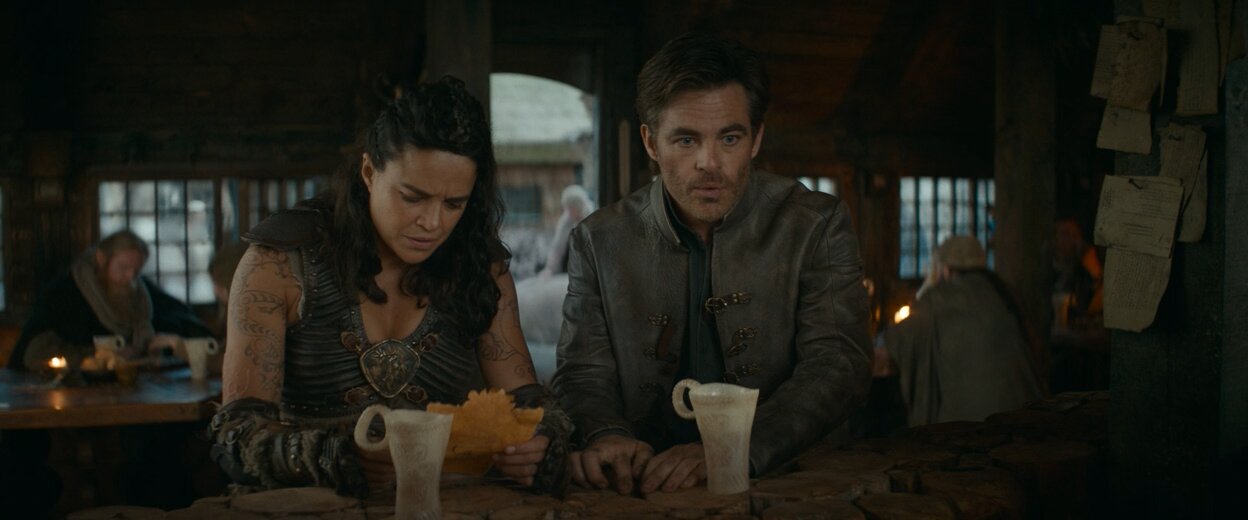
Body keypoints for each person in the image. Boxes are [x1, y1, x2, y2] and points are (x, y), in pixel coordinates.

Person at [209, 77, 570, 498]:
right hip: (308, 508)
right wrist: (335, 457)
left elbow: (528, 405)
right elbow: (237, 434)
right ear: (369, 172)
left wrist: (539, 443)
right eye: (413, 197)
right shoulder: (279, 264)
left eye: (453, 204)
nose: (432, 223)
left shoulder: (481, 270)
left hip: (449, 504)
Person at [553, 33, 871, 495]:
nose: (709, 162)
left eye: (730, 138)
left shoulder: (815, 225)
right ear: (651, 142)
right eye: (686, 139)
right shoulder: (598, 240)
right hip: (642, 485)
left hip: (784, 481)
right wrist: (608, 435)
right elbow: (583, 372)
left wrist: (733, 448)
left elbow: (838, 363)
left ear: (756, 138)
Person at [877, 236, 1043, 427]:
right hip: (1024, 420)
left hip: (973, 426)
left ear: (945, 269)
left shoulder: (941, 298)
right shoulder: (1004, 293)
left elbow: (892, 345)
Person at [8, 230, 211, 372]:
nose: (130, 278)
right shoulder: (64, 294)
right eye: (123, 268)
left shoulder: (142, 292)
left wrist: (157, 345)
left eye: (136, 271)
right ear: (101, 258)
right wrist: (97, 357)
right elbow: (36, 352)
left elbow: (182, 320)